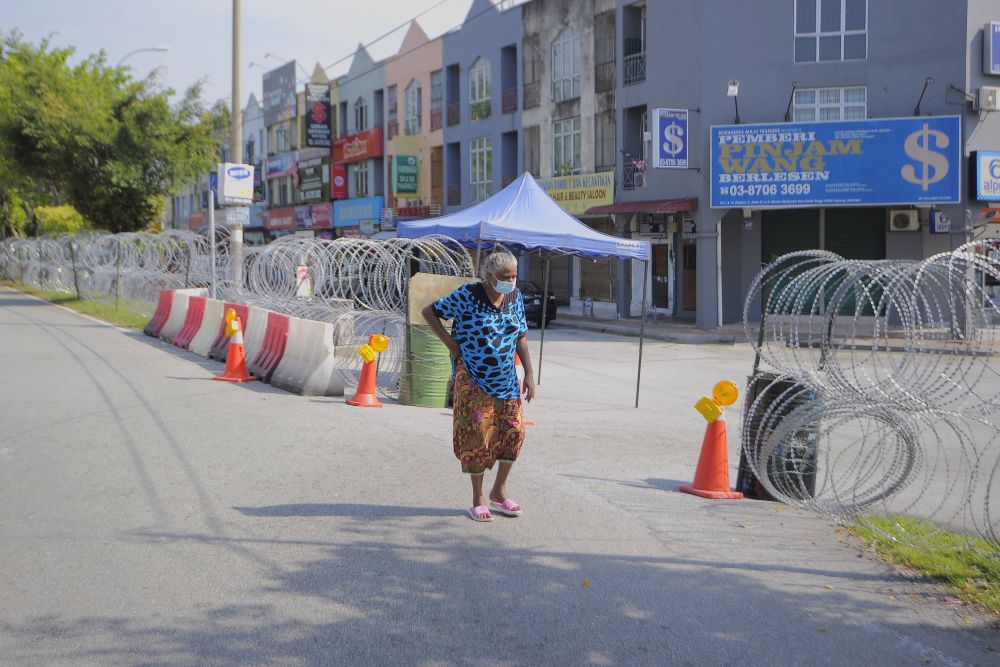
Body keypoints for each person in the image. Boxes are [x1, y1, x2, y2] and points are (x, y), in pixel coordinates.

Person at [421, 251, 535, 522]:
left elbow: (520, 336)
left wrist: (529, 372)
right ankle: (478, 500)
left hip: (506, 379)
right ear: (488, 276)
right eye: (505, 277)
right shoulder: (467, 295)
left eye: (514, 276)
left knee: (514, 434)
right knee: (477, 437)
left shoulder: (513, 297)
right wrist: (452, 345)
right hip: (473, 379)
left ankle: (499, 491)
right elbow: (429, 312)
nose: (511, 281)